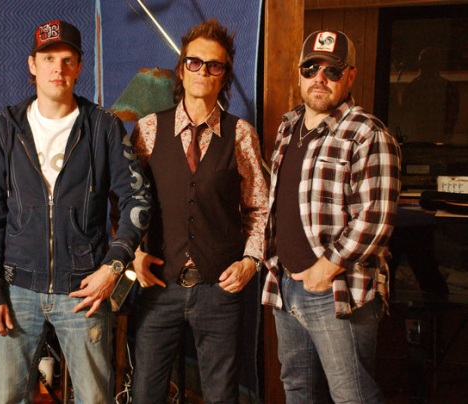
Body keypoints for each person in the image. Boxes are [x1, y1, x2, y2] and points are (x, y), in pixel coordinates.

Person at [0, 19, 152, 403]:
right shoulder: (7, 126)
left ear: (79, 66)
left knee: (94, 398)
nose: (58, 68)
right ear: (32, 64)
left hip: (83, 290)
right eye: (48, 58)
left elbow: (137, 199)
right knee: (9, 397)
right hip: (17, 288)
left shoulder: (103, 126)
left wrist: (113, 267)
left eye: (67, 59)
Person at [130, 18, 268, 403]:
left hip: (219, 291)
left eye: (214, 65)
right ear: (181, 68)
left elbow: (259, 207)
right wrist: (134, 253)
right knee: (145, 393)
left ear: (225, 75)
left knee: (221, 395)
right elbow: (126, 202)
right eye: (195, 62)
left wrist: (251, 262)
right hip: (159, 287)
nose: (203, 71)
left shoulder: (241, 135)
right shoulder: (147, 130)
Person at [261, 30, 402, 403]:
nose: (319, 78)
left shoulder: (368, 133)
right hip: (286, 286)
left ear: (350, 76)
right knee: (298, 390)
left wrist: (325, 270)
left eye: (332, 70)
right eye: (311, 68)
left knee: (352, 396)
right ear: (299, 74)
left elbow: (375, 218)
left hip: (336, 290)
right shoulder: (288, 127)